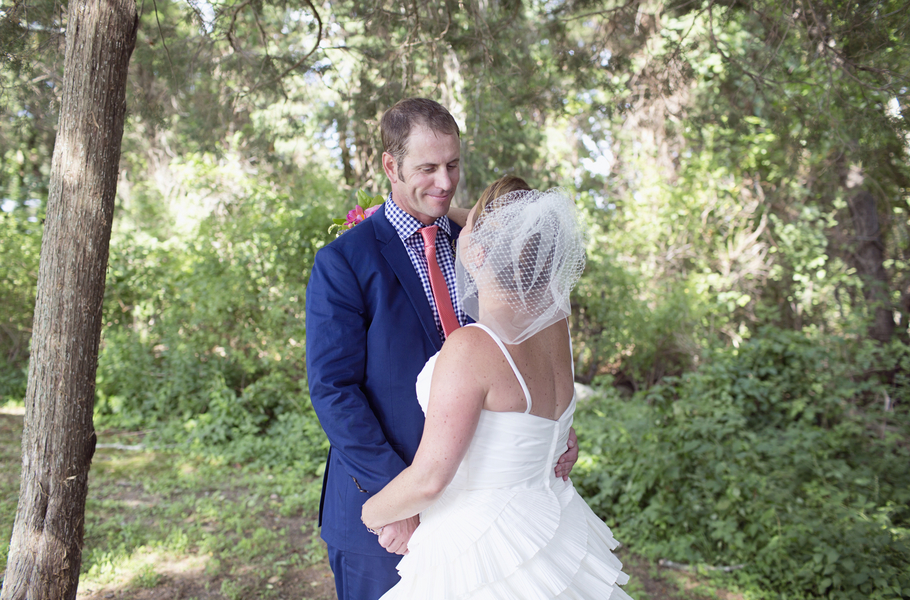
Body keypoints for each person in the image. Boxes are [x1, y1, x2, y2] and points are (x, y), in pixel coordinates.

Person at [305, 99, 579, 600]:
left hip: (484, 516)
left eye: (453, 164)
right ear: (390, 166)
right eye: (427, 168)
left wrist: (550, 427)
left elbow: (523, 342)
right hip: (388, 517)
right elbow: (334, 390)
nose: (445, 181)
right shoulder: (345, 261)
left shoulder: (485, 240)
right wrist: (397, 499)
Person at [361, 176, 633, 599]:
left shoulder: (470, 348)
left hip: (480, 547)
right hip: (549, 524)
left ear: (479, 251)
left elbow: (430, 479)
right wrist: (409, 208)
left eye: (468, 227)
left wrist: (372, 513)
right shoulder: (556, 323)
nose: (459, 229)